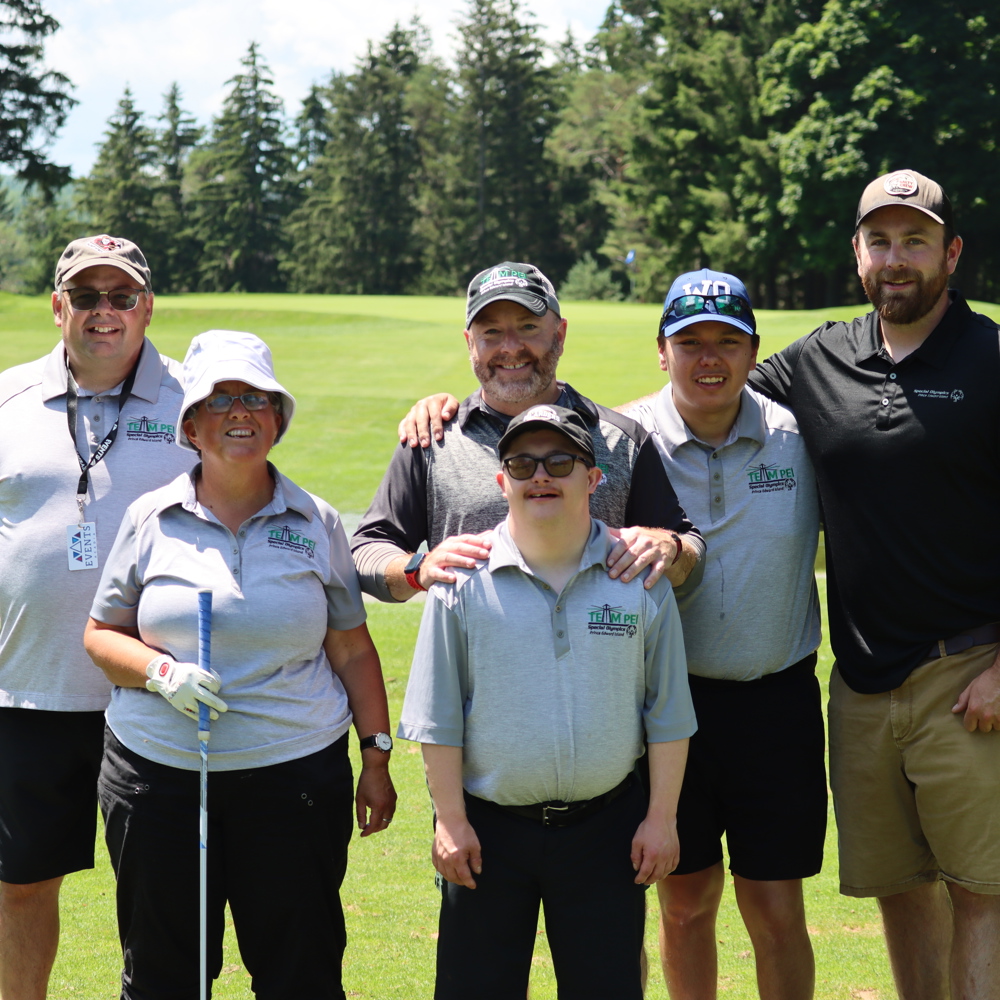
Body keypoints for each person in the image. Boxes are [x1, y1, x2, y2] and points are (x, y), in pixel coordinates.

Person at [745, 170, 1000, 1000]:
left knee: (983, 894)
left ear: (951, 253)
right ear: (857, 253)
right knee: (900, 889)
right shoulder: (821, 358)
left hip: (971, 674)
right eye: (880, 241)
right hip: (859, 686)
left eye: (915, 241)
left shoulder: (991, 357)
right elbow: (696, 397)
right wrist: (519, 407)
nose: (897, 260)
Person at [83, 330, 396, 1000]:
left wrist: (376, 757)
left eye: (256, 398)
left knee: (299, 974)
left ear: (278, 419)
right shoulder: (149, 518)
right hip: (158, 780)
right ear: (191, 425)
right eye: (219, 399)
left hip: (293, 781)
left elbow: (351, 646)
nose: (239, 412)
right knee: (167, 976)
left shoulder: (316, 521)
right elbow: (101, 636)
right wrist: (162, 674)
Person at [398, 403, 696, 1000]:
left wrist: (661, 820)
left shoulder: (635, 576)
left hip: (605, 831)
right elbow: (437, 717)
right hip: (488, 833)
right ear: (500, 479)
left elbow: (667, 714)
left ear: (594, 478)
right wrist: (451, 823)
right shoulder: (460, 579)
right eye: (523, 463)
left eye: (561, 461)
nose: (541, 476)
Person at [0, 235, 194, 1000]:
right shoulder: (8, 398)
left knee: (155, 900)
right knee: (19, 889)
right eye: (86, 296)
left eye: (121, 297)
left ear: (146, 308)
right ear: (57, 308)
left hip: (151, 695)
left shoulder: (198, 402)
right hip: (27, 694)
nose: (103, 312)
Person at [624, 270, 825, 1000]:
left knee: (775, 908)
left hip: (778, 705)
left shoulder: (801, 437)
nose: (709, 359)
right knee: (683, 904)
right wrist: (439, 409)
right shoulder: (621, 440)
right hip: (667, 714)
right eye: (690, 342)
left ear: (752, 350)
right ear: (662, 351)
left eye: (727, 342)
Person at [351, 261, 705, 604]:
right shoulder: (432, 440)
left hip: (600, 662)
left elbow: (691, 555)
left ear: (560, 334)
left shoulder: (622, 441)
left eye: (528, 327)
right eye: (490, 332)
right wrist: (418, 569)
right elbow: (365, 552)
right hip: (474, 661)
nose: (510, 347)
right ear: (469, 342)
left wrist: (670, 548)